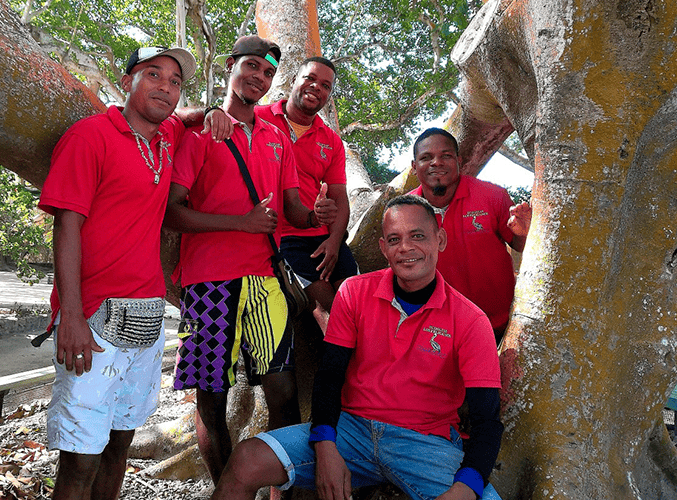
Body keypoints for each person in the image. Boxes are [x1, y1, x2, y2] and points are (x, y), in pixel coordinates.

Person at [210, 194, 503, 500]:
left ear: (439, 239)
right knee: (246, 460)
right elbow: (330, 376)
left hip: (425, 442)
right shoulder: (354, 291)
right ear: (383, 248)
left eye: (418, 236)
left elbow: (487, 420)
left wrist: (466, 487)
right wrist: (325, 446)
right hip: (351, 431)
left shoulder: (471, 320)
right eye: (394, 239)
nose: (406, 248)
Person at [38, 46, 231, 500]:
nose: (165, 86)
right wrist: (72, 316)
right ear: (126, 82)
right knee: (79, 460)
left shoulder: (165, 141)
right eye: (152, 75)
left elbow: (182, 119)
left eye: (174, 80)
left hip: (146, 318)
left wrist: (214, 111)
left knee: (118, 446)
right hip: (95, 318)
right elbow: (66, 227)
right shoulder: (90, 137)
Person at [164, 35, 338, 485]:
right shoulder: (202, 132)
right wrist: (239, 223)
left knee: (282, 391)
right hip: (208, 282)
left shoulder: (278, 138)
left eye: (267, 73)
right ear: (230, 66)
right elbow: (172, 211)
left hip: (266, 280)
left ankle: (279, 489)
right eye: (252, 67)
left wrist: (315, 214)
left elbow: (291, 211)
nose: (259, 78)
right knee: (212, 396)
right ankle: (226, 489)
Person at [255, 57, 358, 320]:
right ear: (293, 81)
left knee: (357, 303)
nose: (316, 87)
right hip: (284, 237)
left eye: (325, 85)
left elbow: (339, 198)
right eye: (310, 78)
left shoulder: (331, 141)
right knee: (327, 307)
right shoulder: (258, 118)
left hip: (322, 235)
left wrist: (335, 241)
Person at [408, 128, 532, 343]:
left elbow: (521, 245)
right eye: (426, 157)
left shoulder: (493, 196)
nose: (436, 163)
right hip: (441, 333)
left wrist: (526, 232)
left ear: (459, 160)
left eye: (445, 156)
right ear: (413, 167)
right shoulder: (404, 211)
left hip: (503, 326)